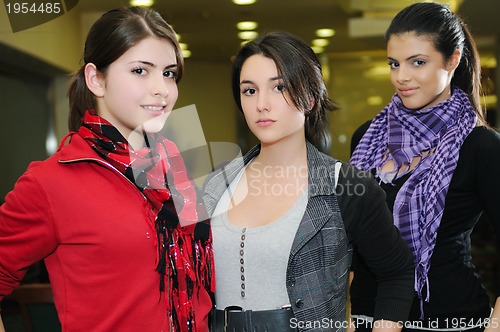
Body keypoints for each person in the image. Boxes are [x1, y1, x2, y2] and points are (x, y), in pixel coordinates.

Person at [0, 7, 214, 332]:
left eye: (169, 73)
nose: (162, 89)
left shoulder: (174, 166)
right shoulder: (51, 182)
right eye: (141, 71)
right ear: (96, 79)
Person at [202, 31, 414, 332]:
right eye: (249, 91)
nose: (262, 103)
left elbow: (397, 270)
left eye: (279, 88)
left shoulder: (346, 187)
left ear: (310, 97)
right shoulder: (217, 184)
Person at [349, 2, 500, 331]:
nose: (401, 77)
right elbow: (349, 241)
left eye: (417, 62)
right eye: (394, 63)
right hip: (367, 317)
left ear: (453, 59)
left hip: (448, 320)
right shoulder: (367, 138)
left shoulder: (481, 147)